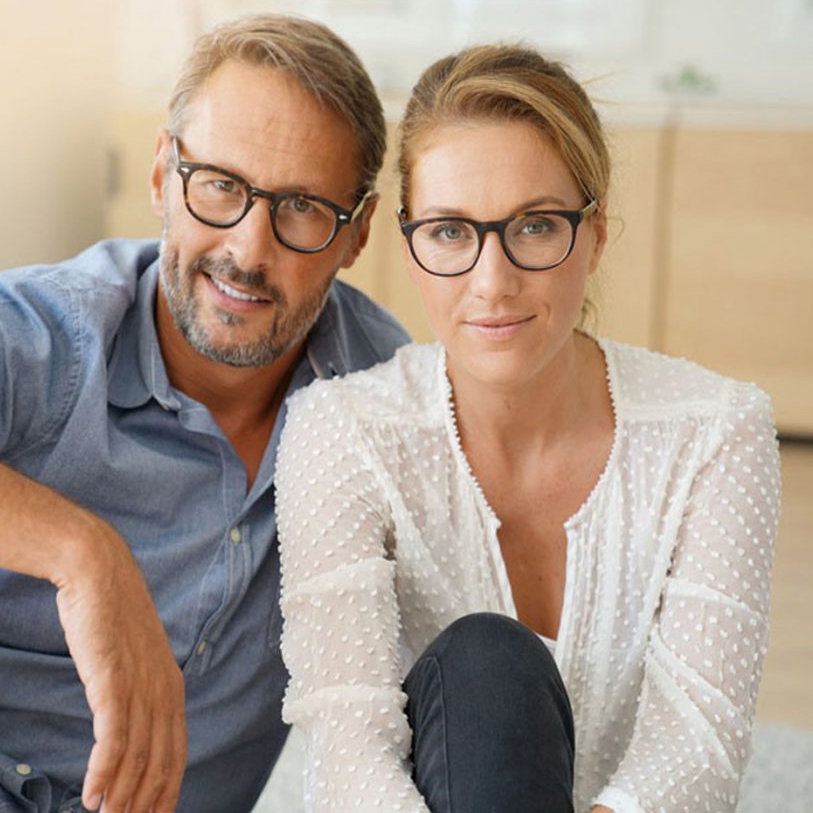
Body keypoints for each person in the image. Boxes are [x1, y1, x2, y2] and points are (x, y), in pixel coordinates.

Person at [0, 14, 408, 813]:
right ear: (163, 174)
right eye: (221, 184)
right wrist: (83, 555)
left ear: (355, 233)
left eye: (299, 208)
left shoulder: (381, 393)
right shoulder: (53, 332)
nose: (248, 252)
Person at [275, 44, 780, 812]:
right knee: (486, 663)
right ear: (408, 245)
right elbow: (349, 759)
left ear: (595, 233)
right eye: (449, 231)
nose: (492, 281)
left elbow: (696, 749)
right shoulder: (339, 432)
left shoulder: (715, 433)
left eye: (535, 226)